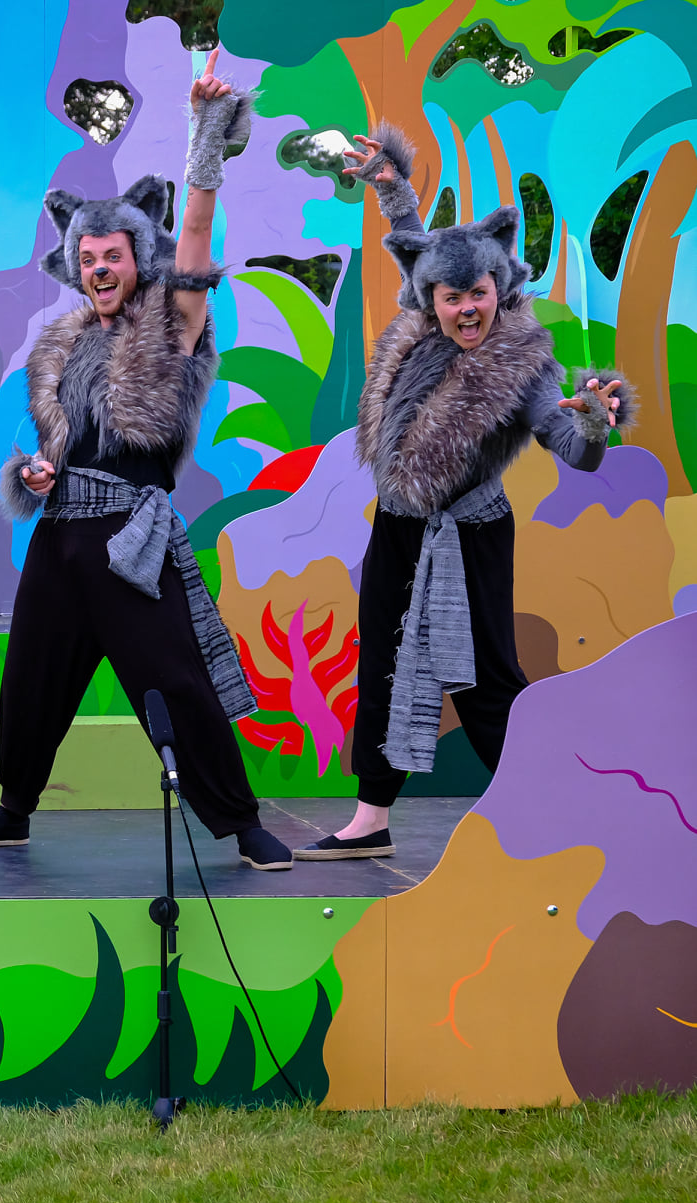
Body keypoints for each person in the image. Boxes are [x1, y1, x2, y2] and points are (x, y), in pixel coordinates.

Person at [0, 52, 295, 871]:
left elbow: (195, 240)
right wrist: (36, 474)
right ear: (77, 265)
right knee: (31, 676)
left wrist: (205, 134)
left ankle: (240, 822)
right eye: (89, 258)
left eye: (114, 256)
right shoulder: (62, 346)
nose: (100, 268)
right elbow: (65, 445)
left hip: (130, 540)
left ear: (138, 258)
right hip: (60, 534)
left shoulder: (171, 324)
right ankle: (14, 809)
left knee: (173, 679)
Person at [298, 126, 633, 860]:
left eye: (478, 293)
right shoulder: (420, 328)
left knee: (484, 681)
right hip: (399, 526)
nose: (466, 309)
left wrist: (594, 422)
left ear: (499, 288)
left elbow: (572, 448)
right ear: (434, 300)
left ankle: (552, 807)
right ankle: (370, 820)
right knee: (384, 663)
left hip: (468, 534)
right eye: (452, 298)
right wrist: (391, 186)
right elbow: (422, 245)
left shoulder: (522, 361)